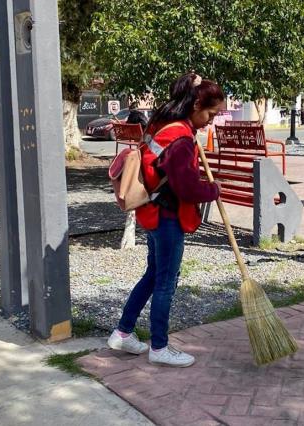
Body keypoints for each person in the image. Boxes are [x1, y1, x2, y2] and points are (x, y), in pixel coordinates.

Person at [108, 72, 224, 367]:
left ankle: (123, 333)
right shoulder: (182, 139)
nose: (212, 120)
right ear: (196, 106)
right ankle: (159, 347)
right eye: (211, 113)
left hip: (151, 212)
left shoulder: (162, 123)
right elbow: (186, 187)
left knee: (153, 275)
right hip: (168, 216)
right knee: (165, 283)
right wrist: (213, 189)